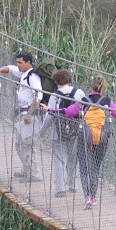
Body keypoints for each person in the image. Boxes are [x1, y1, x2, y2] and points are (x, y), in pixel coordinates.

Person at [46, 75, 116, 210]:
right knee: (95, 167)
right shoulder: (107, 102)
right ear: (103, 88)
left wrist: (50, 109)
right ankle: (94, 195)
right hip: (102, 138)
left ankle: (87, 197)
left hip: (85, 136)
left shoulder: (84, 101)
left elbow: (67, 112)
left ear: (91, 87)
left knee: (85, 168)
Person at [0, 52, 43, 182]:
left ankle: (34, 174)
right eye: (17, 62)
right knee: (19, 144)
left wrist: (29, 114)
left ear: (28, 63)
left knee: (27, 145)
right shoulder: (23, 73)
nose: (17, 65)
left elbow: (38, 96)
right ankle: (27, 170)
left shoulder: (32, 76)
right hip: (24, 115)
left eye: (20, 62)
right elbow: (10, 68)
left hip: (29, 116)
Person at [39, 69, 86, 197]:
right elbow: (85, 110)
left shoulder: (55, 96)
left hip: (57, 131)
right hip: (75, 130)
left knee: (59, 160)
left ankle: (60, 189)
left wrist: (41, 132)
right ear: (69, 79)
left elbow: (49, 115)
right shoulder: (79, 93)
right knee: (73, 158)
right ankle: (72, 184)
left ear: (56, 81)